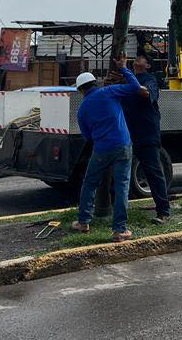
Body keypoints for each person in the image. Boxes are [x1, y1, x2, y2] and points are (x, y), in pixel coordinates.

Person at [72, 55, 142, 241]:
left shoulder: (82, 109)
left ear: (81, 90)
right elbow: (136, 88)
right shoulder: (109, 91)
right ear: (95, 83)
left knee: (89, 183)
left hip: (102, 149)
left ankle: (83, 221)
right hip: (123, 145)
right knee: (121, 187)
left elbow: (87, 136)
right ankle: (119, 230)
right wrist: (124, 68)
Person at [120, 51, 171, 223]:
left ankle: (163, 212)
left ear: (147, 65)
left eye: (141, 58)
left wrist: (124, 71)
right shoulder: (127, 79)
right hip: (127, 134)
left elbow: (145, 93)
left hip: (146, 134)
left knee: (153, 172)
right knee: (120, 173)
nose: (137, 59)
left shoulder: (150, 80)